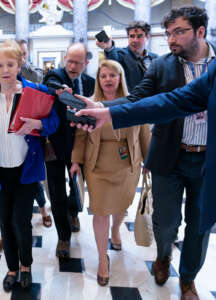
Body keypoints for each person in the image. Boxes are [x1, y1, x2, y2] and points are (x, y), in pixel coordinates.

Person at [74, 6, 213, 299]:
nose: (171, 39)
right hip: (169, 158)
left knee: (200, 224)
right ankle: (163, 256)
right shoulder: (161, 66)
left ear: (200, 32)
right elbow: (139, 99)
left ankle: (187, 279)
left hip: (206, 160)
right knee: (165, 222)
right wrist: (102, 108)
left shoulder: (213, 68)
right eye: (169, 32)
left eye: (179, 32)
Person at [0, 40, 59, 292]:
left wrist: (38, 126)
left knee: (21, 220)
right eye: (0, 65)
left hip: (26, 168)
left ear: (19, 65)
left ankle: (26, 266)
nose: (5, 69)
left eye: (10, 64)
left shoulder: (34, 91)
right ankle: (11, 268)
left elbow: (54, 122)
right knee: (5, 222)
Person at [70, 60, 150, 286]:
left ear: (120, 78)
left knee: (121, 206)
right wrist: (76, 160)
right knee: (100, 211)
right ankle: (102, 259)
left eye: (112, 75)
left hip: (127, 165)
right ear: (98, 80)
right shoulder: (92, 105)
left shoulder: (134, 103)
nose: (107, 80)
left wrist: (148, 160)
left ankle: (116, 229)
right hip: (97, 167)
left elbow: (144, 132)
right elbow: (81, 135)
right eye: (103, 76)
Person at [42, 42, 95, 257]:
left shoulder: (91, 83)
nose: (72, 66)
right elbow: (51, 82)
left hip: (80, 146)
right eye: (69, 61)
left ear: (86, 63)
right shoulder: (55, 75)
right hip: (55, 144)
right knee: (56, 193)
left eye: (78, 62)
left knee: (77, 187)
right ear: (65, 60)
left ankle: (73, 211)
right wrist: (61, 89)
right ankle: (63, 237)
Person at [96, 21, 158, 92]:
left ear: (147, 37)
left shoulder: (155, 58)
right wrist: (109, 47)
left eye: (139, 36)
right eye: (132, 36)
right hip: (131, 101)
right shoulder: (121, 54)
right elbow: (113, 57)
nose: (135, 40)